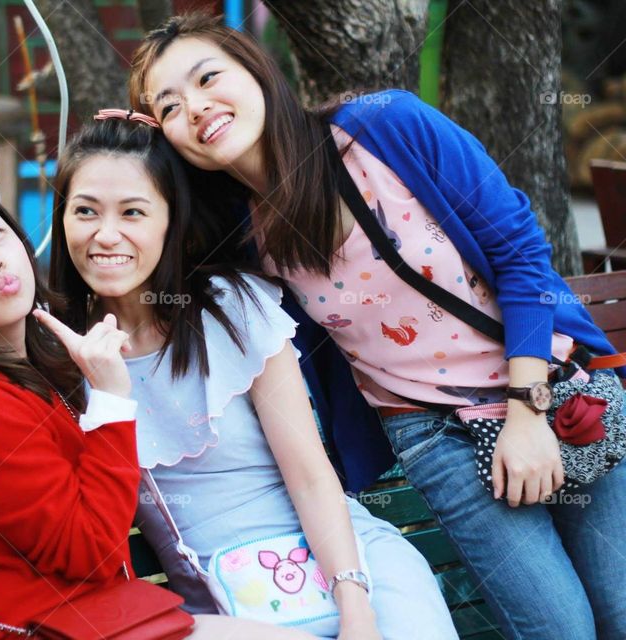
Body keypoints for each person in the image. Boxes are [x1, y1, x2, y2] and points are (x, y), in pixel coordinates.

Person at [128, 12, 626, 639]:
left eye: (207, 79)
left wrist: (526, 409)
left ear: (256, 72)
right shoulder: (236, 232)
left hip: (551, 389)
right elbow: (131, 262)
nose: (196, 108)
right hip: (430, 431)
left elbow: (520, 253)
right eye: (169, 108)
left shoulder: (385, 128)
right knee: (562, 629)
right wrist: (133, 155)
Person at [46, 114, 457, 639]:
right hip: (232, 614)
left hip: (355, 571)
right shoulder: (59, 356)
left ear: (171, 220)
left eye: (133, 211)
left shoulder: (233, 310)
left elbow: (310, 475)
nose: (106, 235)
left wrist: (357, 611)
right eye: (85, 211)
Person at [0, 174, 323, 640]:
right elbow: (92, 552)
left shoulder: (24, 360)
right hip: (42, 627)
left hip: (91, 619)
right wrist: (110, 401)